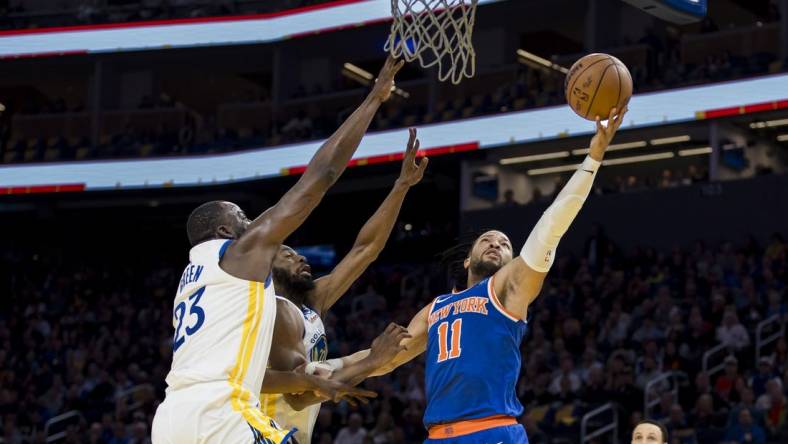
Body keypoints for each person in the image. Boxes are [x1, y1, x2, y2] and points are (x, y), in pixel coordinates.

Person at [151, 57, 405, 444]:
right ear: (224, 230)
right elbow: (319, 178)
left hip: (171, 417)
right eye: (242, 217)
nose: (251, 223)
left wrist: (311, 382)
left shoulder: (194, 279)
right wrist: (373, 100)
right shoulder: (238, 254)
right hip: (220, 412)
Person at [362, 107, 627, 442]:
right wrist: (327, 369)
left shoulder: (508, 289)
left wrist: (592, 159)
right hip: (438, 436)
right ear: (467, 261)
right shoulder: (436, 307)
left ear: (514, 260)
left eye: (504, 243)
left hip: (492, 431)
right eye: (486, 240)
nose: (495, 243)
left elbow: (550, 225)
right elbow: (384, 360)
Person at [260, 128, 428, 443]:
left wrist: (401, 185)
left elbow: (365, 250)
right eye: (288, 255)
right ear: (268, 269)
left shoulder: (310, 302)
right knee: (378, 360)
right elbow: (298, 393)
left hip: (290, 433)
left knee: (389, 356)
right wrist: (371, 361)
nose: (301, 259)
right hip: (262, 433)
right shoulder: (277, 312)